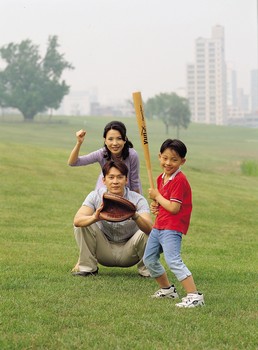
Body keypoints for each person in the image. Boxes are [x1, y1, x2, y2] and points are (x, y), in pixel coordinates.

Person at [143, 139, 205, 308]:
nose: (168, 163)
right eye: (165, 158)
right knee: (149, 259)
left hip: (172, 227)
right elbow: (164, 204)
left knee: (173, 260)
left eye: (174, 159)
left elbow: (174, 207)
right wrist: (156, 205)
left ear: (182, 161)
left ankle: (194, 296)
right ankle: (167, 290)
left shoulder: (179, 180)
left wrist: (157, 197)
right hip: (159, 225)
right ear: (159, 157)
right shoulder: (160, 178)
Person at [72, 160, 153, 277]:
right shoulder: (95, 196)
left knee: (146, 231)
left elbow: (150, 229)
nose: (115, 181)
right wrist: (95, 217)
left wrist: (135, 215)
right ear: (104, 180)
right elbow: (77, 220)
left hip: (130, 252)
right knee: (83, 223)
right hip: (103, 250)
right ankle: (88, 269)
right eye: (111, 177)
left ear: (126, 180)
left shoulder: (138, 199)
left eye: (120, 177)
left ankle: (147, 271)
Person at [68, 120, 142, 193]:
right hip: (104, 192)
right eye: (110, 139)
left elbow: (134, 183)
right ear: (105, 141)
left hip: (125, 193)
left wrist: (137, 203)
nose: (115, 143)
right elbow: (73, 162)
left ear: (124, 140)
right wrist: (79, 143)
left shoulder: (132, 155)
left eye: (119, 138)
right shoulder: (101, 154)